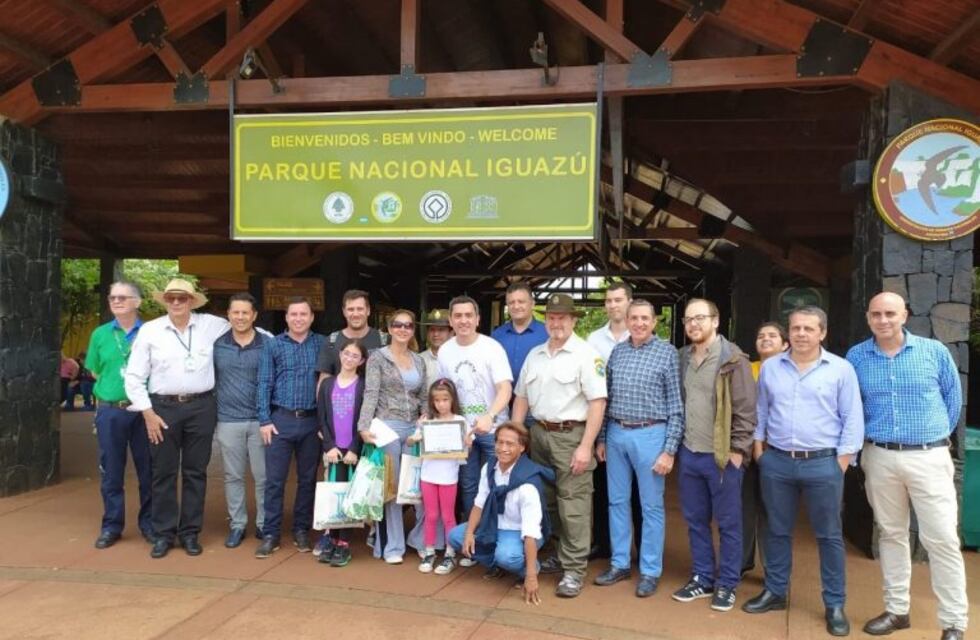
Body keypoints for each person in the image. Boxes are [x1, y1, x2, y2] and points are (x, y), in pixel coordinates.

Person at [846, 292, 968, 640]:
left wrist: (932, 438)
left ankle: (954, 621)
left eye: (890, 313)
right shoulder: (857, 356)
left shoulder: (934, 352)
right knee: (891, 533)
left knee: (942, 538)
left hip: (928, 455)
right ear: (868, 318)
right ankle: (897, 611)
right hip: (880, 455)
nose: (883, 320)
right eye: (876, 314)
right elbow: (852, 405)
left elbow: (952, 401)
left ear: (905, 315)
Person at [744, 306, 864, 638]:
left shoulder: (840, 369)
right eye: (795, 328)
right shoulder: (772, 369)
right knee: (777, 531)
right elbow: (762, 409)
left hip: (823, 463)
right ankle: (775, 592)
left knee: (828, 536)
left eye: (808, 329)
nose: (800, 334)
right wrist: (759, 449)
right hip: (778, 461)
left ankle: (835, 603)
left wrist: (840, 463)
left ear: (822, 333)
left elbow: (853, 418)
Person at [124, 278, 231, 559]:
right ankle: (164, 534)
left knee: (196, 472)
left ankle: (190, 532)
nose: (175, 302)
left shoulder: (212, 325)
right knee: (163, 472)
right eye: (171, 298)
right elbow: (134, 376)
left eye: (181, 298)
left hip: (201, 406)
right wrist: (147, 412)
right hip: (163, 409)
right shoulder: (150, 331)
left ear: (191, 301)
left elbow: (247, 329)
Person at [511, 293, 607, 598]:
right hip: (538, 433)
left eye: (562, 317)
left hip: (571, 436)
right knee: (547, 502)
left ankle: (574, 570)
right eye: (551, 317)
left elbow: (597, 402)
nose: (556, 323)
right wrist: (516, 435)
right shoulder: (536, 355)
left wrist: (586, 445)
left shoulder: (586, 355)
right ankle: (559, 554)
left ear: (573, 320)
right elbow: (522, 397)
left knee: (574, 505)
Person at [594, 299, 683, 599]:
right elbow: (606, 399)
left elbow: (676, 407)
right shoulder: (617, 352)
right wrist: (602, 438)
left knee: (651, 506)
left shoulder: (667, 353)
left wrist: (669, 450)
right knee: (616, 502)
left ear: (654, 321)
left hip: (651, 433)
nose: (639, 323)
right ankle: (620, 564)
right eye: (634, 318)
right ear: (627, 320)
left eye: (645, 318)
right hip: (617, 432)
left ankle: (650, 570)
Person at [673, 298, 756, 612]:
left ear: (716, 321)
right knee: (695, 520)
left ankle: (728, 584)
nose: (693, 324)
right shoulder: (682, 357)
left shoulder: (734, 359)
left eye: (700, 318)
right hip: (690, 453)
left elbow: (747, 411)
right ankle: (703, 577)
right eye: (688, 319)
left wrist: (738, 451)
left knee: (729, 523)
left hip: (722, 456)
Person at [449, 422, 554, 606]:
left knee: (507, 556)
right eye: (500, 442)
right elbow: (479, 504)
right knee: (456, 536)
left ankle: (529, 567)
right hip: (493, 525)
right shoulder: (489, 467)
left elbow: (530, 532)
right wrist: (469, 534)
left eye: (510, 444)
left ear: (522, 448)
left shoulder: (528, 483)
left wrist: (530, 577)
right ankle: (495, 564)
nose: (503, 448)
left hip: (520, 532)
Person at [254, 297, 326, 558]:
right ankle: (271, 533)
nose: (298, 318)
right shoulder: (273, 345)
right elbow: (263, 383)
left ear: (311, 317)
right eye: (293, 314)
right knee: (274, 481)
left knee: (308, 480)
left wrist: (324, 422)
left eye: (303, 314)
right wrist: (264, 419)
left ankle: (301, 529)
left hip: (311, 421)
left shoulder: (321, 344)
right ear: (286, 318)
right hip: (280, 420)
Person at [85, 281, 153, 549]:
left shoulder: (151, 332)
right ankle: (112, 525)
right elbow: (94, 370)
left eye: (123, 297)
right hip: (111, 410)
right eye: (112, 297)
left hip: (144, 412)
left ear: (137, 302)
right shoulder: (100, 334)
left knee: (149, 470)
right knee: (111, 471)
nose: (116, 301)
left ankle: (149, 524)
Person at [358, 309, 428, 564]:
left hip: (414, 428)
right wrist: (364, 426)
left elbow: (423, 396)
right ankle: (392, 546)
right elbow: (371, 392)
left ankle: (420, 539)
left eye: (408, 326)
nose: (402, 329)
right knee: (393, 487)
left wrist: (425, 416)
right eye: (397, 325)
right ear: (389, 329)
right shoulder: (378, 358)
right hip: (386, 427)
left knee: (417, 487)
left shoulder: (418, 360)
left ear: (412, 330)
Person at [437, 295, 513, 519]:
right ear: (450, 320)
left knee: (495, 481)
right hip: (462, 432)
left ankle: (496, 532)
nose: (464, 321)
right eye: (458, 316)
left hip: (493, 430)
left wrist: (490, 415)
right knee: (468, 484)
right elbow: (443, 392)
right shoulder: (445, 351)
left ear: (478, 319)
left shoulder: (492, 348)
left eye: (469, 315)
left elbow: (505, 389)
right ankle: (473, 535)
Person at [585, 281, 638, 560]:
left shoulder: (642, 334)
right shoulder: (593, 340)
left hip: (636, 422)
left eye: (618, 299)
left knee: (639, 494)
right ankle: (603, 544)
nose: (613, 305)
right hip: (603, 423)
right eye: (608, 300)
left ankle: (640, 550)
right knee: (603, 489)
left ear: (629, 301)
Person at [213, 292, 269, 548]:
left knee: (263, 476)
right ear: (228, 315)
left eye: (245, 312)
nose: (240, 317)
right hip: (228, 420)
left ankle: (264, 523)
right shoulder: (217, 345)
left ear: (254, 315)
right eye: (235, 312)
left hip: (260, 420)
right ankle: (237, 524)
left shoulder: (266, 343)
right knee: (232, 476)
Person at [316, 340, 367, 567]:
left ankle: (344, 543)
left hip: (351, 452)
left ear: (362, 361)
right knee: (334, 494)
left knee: (349, 495)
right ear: (340, 355)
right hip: (334, 450)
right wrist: (329, 446)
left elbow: (364, 420)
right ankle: (332, 538)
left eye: (355, 356)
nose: (349, 359)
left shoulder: (363, 386)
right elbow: (322, 418)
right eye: (346, 354)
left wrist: (355, 448)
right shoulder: (327, 384)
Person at [742, 321, 787, 577]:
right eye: (761, 335)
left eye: (772, 335)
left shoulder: (792, 371)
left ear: (785, 344)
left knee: (774, 511)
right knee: (743, 507)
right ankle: (740, 563)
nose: (765, 339)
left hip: (778, 451)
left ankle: (773, 570)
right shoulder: (746, 370)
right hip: (746, 449)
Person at [410, 378, 466, 575]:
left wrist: (467, 440)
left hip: (449, 476)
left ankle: (450, 553)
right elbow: (411, 441)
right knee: (431, 515)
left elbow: (467, 444)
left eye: (445, 399)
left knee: (448, 515)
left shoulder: (460, 421)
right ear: (432, 402)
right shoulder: (427, 422)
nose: (441, 404)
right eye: (437, 400)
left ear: (452, 400)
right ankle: (429, 551)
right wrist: (415, 435)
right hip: (428, 475)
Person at [316, 289, 388, 381]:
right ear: (344, 312)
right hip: (341, 395)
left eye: (360, 309)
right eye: (350, 309)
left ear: (368, 310)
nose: (355, 314)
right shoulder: (331, 341)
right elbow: (323, 382)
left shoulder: (384, 340)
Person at [491, 282, 547, 385]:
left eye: (521, 302)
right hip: (504, 398)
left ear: (532, 304)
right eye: (511, 302)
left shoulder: (547, 333)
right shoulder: (496, 336)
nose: (516, 306)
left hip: (537, 398)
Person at [419, 309, 453, 390]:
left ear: (451, 333)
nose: (436, 334)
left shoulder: (460, 359)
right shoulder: (419, 360)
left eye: (441, 330)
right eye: (432, 330)